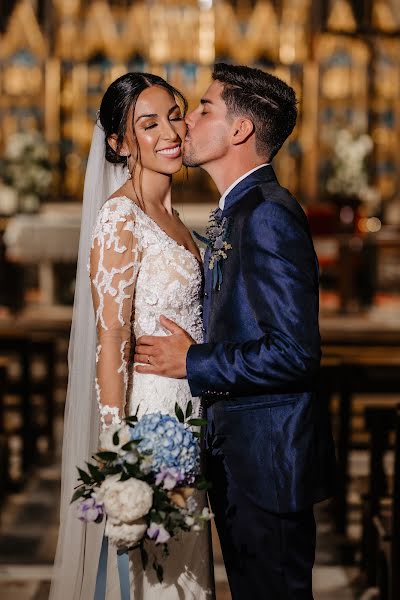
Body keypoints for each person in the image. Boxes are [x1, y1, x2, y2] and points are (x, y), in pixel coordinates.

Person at [134, 63, 337, 599]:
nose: (186, 124)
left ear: (241, 130)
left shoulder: (267, 215)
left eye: (204, 109)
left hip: (268, 461)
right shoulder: (239, 211)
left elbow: (295, 353)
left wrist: (192, 361)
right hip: (246, 455)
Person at [50, 72, 214, 600]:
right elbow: (112, 335)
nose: (170, 131)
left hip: (190, 412)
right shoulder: (120, 217)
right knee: (162, 581)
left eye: (174, 115)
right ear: (120, 144)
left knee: (190, 576)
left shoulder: (175, 216)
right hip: (153, 424)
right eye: (148, 124)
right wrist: (117, 447)